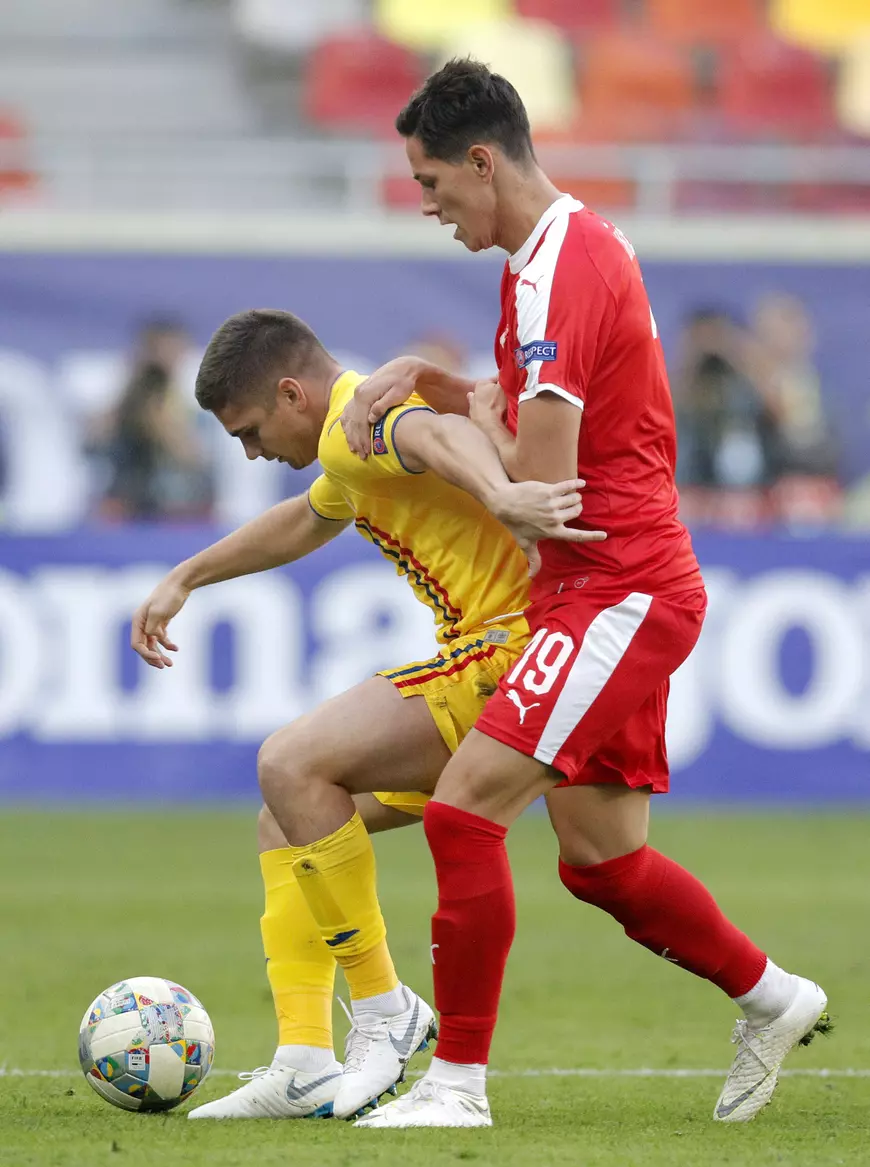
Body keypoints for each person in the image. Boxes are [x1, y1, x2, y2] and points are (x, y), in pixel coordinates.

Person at [339, 60, 829, 1129]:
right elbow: (516, 422)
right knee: (602, 864)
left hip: (617, 590)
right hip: (607, 587)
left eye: (431, 183)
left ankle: (456, 1087)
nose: (427, 207)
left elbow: (537, 486)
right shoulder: (555, 253)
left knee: (464, 814)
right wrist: (438, 385)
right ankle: (776, 998)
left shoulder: (557, 273)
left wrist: (448, 437)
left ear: (482, 159)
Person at [130, 308, 597, 1121]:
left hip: (509, 653)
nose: (250, 453)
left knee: (289, 761)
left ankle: (385, 1010)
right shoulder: (349, 442)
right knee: (288, 820)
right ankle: (305, 1056)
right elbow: (310, 516)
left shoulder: (365, 421)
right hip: (511, 651)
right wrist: (188, 576)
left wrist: (501, 494)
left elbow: (432, 437)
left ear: (289, 392)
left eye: (249, 430)